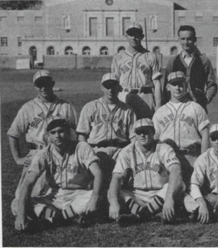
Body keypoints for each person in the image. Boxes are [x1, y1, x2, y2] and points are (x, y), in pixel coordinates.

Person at [8, 70, 78, 216]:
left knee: (63, 193)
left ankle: (54, 214)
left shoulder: (65, 106)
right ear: (35, 87)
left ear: (52, 84)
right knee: (22, 200)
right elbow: (13, 133)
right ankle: (50, 215)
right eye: (39, 85)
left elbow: (77, 131)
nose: (43, 88)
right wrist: (18, 158)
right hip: (37, 154)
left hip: (61, 154)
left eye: (46, 84)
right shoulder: (28, 107)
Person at [14, 119, 102, 231]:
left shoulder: (82, 147)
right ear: (48, 136)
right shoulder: (43, 154)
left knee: (100, 196)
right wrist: (21, 215)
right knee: (17, 204)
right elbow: (28, 183)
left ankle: (54, 219)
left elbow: (98, 173)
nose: (57, 136)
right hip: (54, 197)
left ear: (68, 132)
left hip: (78, 194)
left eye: (61, 131)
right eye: (53, 132)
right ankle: (70, 217)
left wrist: (94, 198)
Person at [108, 118, 185, 226]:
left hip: (160, 194)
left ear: (153, 132)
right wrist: (113, 202)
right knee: (113, 192)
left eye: (146, 131)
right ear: (135, 134)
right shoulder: (127, 151)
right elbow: (116, 177)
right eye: (139, 132)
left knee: (178, 184)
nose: (142, 135)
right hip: (137, 195)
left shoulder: (164, 148)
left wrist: (169, 198)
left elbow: (176, 170)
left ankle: (139, 216)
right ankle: (153, 214)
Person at [77, 73, 136, 194]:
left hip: (120, 151)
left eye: (113, 86)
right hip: (97, 150)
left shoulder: (127, 110)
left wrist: (129, 155)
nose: (110, 89)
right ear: (101, 87)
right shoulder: (90, 107)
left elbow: (134, 138)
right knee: (95, 186)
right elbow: (82, 136)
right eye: (107, 86)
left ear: (119, 88)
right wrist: (86, 156)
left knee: (122, 186)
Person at [152, 71, 210, 184]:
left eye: (180, 84)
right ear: (168, 87)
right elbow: (155, 138)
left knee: (193, 190)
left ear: (186, 86)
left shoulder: (196, 108)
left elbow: (205, 135)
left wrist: (203, 159)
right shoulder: (160, 112)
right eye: (174, 84)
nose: (178, 88)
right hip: (168, 159)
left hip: (192, 156)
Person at [111, 22, 162, 119]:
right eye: (131, 34)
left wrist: (158, 107)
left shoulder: (150, 56)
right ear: (126, 36)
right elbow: (114, 83)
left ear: (142, 36)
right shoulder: (118, 57)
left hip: (145, 96)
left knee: (146, 128)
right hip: (124, 95)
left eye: (137, 34)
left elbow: (157, 83)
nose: (133, 37)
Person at [163, 25, 217, 111]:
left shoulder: (204, 61)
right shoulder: (172, 61)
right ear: (179, 40)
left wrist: (205, 100)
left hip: (198, 107)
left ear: (195, 39)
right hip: (177, 107)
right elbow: (166, 86)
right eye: (183, 39)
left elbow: (212, 85)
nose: (186, 42)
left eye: (189, 39)